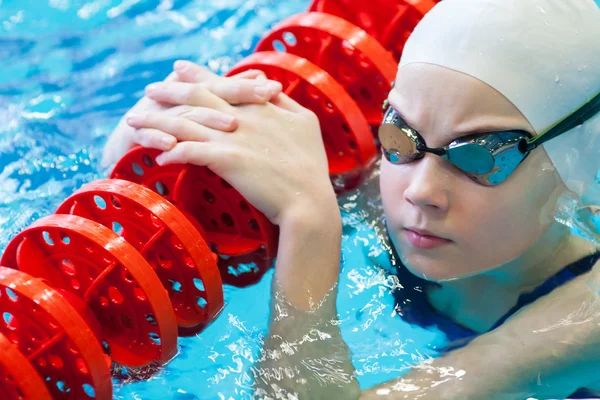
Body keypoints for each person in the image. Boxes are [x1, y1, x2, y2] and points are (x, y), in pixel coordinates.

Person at [103, 0, 600, 398]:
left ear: (577, 165)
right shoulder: (386, 183)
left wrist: (310, 224)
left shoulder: (585, 318)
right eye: (401, 135)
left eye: (479, 158)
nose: (421, 191)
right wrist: (145, 146)